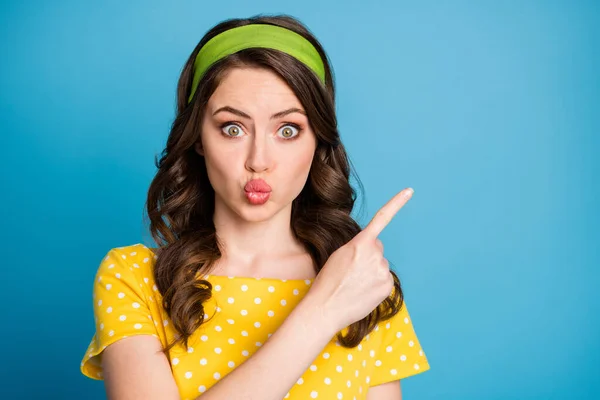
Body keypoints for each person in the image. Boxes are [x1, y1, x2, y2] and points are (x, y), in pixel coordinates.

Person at [80, 14, 430, 400]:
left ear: (318, 142)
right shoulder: (133, 278)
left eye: (288, 130)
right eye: (233, 127)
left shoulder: (362, 281)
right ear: (198, 137)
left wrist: (342, 292)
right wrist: (322, 311)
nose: (258, 160)